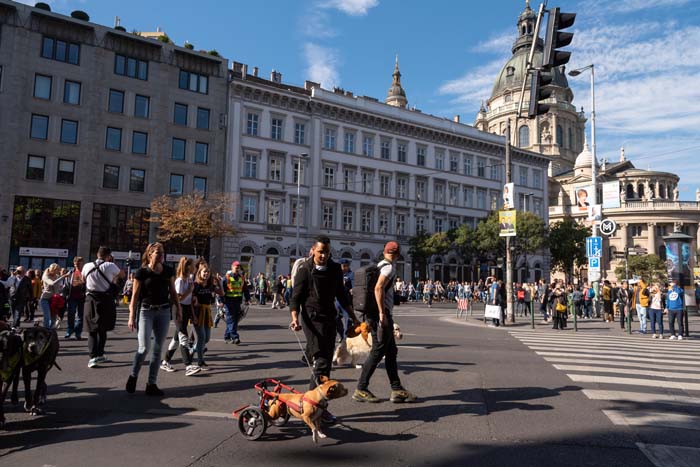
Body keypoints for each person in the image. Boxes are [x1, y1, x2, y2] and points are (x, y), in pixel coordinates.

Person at [289, 236, 359, 392]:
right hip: (312, 318)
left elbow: (342, 295)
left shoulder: (335, 269)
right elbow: (295, 298)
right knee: (321, 361)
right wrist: (294, 318)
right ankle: (312, 400)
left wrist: (353, 317)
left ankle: (319, 400)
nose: (323, 255)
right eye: (320, 252)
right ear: (313, 250)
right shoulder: (304, 270)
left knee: (326, 362)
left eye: (327, 252)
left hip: (329, 317)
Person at [353, 241, 416, 404]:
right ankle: (361, 388)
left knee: (391, 351)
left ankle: (397, 389)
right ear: (397, 254)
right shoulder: (388, 268)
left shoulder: (379, 265)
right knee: (378, 350)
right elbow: (378, 288)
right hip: (380, 314)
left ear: (384, 252)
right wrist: (382, 313)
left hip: (374, 313)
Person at [126, 242, 181, 396]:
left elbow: (173, 292)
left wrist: (179, 309)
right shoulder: (142, 272)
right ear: (150, 254)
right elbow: (135, 296)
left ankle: (151, 384)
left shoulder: (168, 270)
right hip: (146, 311)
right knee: (144, 348)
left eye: (162, 252)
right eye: (158, 252)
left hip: (164, 311)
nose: (161, 255)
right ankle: (133, 375)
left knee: (157, 349)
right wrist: (131, 316)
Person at [83, 247, 124, 368]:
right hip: (105, 299)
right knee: (103, 328)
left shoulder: (87, 266)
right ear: (108, 256)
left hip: (90, 298)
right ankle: (100, 353)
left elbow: (83, 279)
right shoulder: (110, 265)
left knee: (92, 330)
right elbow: (122, 275)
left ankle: (93, 357)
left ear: (97, 254)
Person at [161, 257, 199, 375]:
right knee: (183, 337)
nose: (195, 268)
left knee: (176, 339)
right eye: (193, 265)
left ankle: (165, 362)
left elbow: (189, 299)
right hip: (178, 309)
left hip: (186, 309)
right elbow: (177, 298)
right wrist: (189, 291)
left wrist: (193, 313)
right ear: (187, 267)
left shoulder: (189, 279)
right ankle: (188, 366)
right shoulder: (180, 281)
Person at [192, 264, 223, 370]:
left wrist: (218, 282)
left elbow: (222, 293)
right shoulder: (195, 285)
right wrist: (193, 315)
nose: (206, 273)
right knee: (201, 337)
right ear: (199, 273)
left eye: (208, 272)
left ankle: (192, 350)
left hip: (207, 312)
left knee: (207, 338)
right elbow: (191, 301)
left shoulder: (210, 285)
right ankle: (200, 362)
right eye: (204, 271)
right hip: (198, 313)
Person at [221, 261, 251, 344]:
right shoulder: (226, 278)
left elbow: (245, 289)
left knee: (234, 319)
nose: (237, 269)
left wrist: (248, 299)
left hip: (237, 302)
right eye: (236, 267)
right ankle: (235, 337)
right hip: (229, 302)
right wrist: (221, 301)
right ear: (232, 267)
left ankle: (227, 336)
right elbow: (221, 290)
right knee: (231, 319)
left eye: (239, 267)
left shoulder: (241, 278)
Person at [40, 264, 71, 329]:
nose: (59, 271)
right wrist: (63, 276)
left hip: (54, 299)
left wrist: (63, 289)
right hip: (45, 299)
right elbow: (52, 283)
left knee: (53, 317)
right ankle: (46, 330)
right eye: (57, 270)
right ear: (53, 270)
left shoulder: (57, 276)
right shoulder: (45, 276)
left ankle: (51, 330)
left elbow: (58, 288)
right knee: (47, 316)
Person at [65, 257, 86, 339]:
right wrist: (66, 295)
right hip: (72, 297)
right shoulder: (71, 273)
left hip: (82, 297)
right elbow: (66, 285)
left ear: (82, 263)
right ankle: (70, 330)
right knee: (71, 314)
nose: (77, 265)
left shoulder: (85, 273)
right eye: (75, 263)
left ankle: (78, 332)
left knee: (80, 316)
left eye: (79, 263)